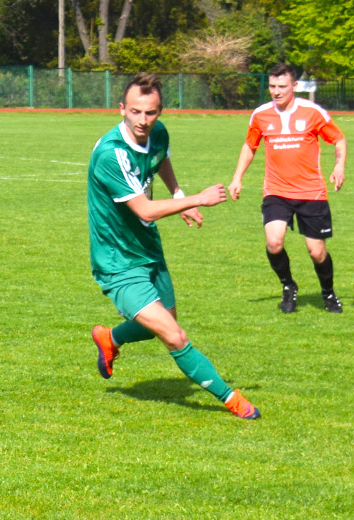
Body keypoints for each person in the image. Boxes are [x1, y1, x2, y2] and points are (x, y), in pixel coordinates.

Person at [88, 73, 260, 420]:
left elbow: (160, 159)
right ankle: (231, 400)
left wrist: (179, 194)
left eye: (150, 113)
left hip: (147, 246)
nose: (142, 120)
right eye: (135, 112)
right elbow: (146, 209)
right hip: (117, 260)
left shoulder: (158, 133)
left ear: (160, 111)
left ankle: (110, 337)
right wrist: (197, 198)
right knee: (174, 335)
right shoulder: (111, 154)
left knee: (164, 322)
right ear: (121, 108)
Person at [229, 64, 347, 314]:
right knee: (274, 242)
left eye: (282, 86)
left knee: (316, 252)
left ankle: (328, 292)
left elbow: (338, 139)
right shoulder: (260, 115)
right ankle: (288, 286)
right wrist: (237, 177)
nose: (276, 91)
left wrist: (339, 166)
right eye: (272, 86)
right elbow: (250, 146)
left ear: (294, 87)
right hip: (276, 191)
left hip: (311, 193)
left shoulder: (313, 112)